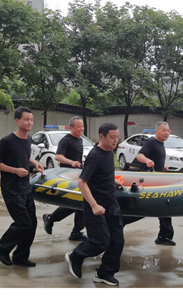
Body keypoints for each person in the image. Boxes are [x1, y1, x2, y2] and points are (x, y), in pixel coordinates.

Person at [65, 122, 125, 286]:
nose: (115, 140)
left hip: (112, 204)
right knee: (101, 241)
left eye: (117, 137)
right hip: (96, 206)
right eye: (112, 137)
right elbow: (82, 182)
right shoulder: (95, 155)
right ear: (102, 136)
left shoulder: (109, 152)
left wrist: (112, 181)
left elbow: (102, 174)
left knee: (117, 241)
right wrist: (93, 205)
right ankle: (75, 256)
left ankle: (104, 274)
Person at [0, 107, 44, 267]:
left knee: (32, 223)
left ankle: (20, 256)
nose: (30, 122)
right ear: (17, 120)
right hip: (11, 189)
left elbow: (23, 155)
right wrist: (15, 170)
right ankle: (2, 248)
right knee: (23, 223)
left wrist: (34, 162)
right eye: (26, 119)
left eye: (31, 120)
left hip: (25, 187)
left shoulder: (28, 139)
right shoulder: (7, 141)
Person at [124, 122, 175, 246]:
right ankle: (119, 222)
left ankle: (164, 235)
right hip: (148, 181)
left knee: (164, 207)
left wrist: (162, 166)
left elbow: (156, 158)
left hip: (158, 181)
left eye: (168, 131)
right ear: (156, 131)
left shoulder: (160, 144)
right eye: (164, 130)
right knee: (145, 208)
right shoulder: (151, 142)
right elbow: (140, 155)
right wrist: (147, 161)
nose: (167, 133)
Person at [42, 116, 87, 240]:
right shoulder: (66, 140)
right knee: (75, 201)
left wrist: (81, 164)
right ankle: (51, 218)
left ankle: (76, 231)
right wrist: (72, 162)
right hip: (67, 175)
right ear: (71, 127)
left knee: (81, 201)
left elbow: (77, 157)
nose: (81, 129)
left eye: (82, 126)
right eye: (78, 126)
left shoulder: (80, 140)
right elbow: (58, 156)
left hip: (78, 174)